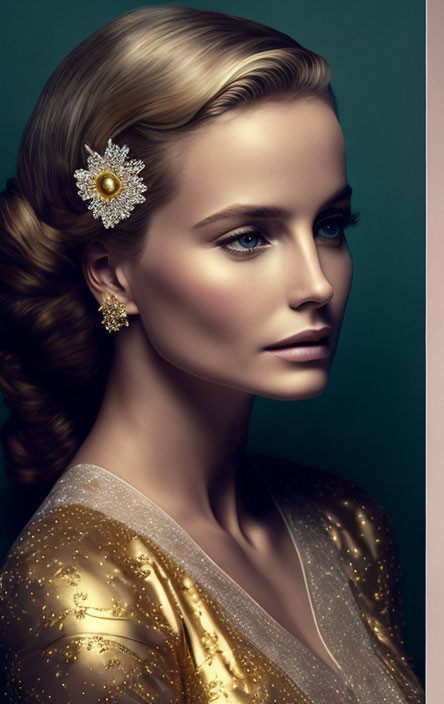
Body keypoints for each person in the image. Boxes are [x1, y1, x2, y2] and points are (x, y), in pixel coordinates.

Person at [0, 7, 422, 702]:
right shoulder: (77, 587)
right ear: (110, 272)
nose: (317, 284)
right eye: (248, 238)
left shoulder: (349, 527)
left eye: (329, 225)